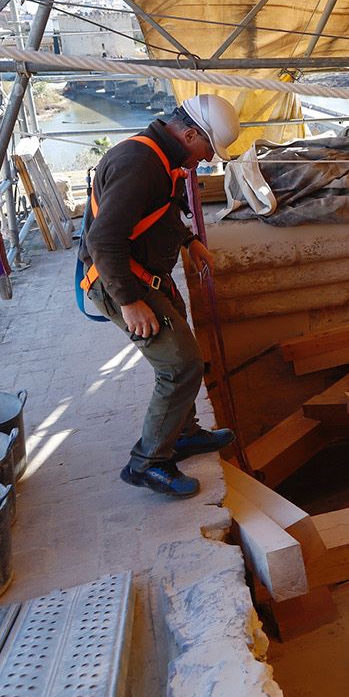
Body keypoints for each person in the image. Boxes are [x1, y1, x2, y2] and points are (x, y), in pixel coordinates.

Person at [79, 94, 242, 498]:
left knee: (181, 355)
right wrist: (130, 302)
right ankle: (149, 463)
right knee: (180, 365)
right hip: (124, 283)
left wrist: (189, 241)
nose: (206, 161)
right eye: (207, 150)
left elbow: (158, 212)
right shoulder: (139, 163)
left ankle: (183, 434)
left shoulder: (161, 160)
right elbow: (103, 238)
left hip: (146, 277)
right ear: (189, 134)